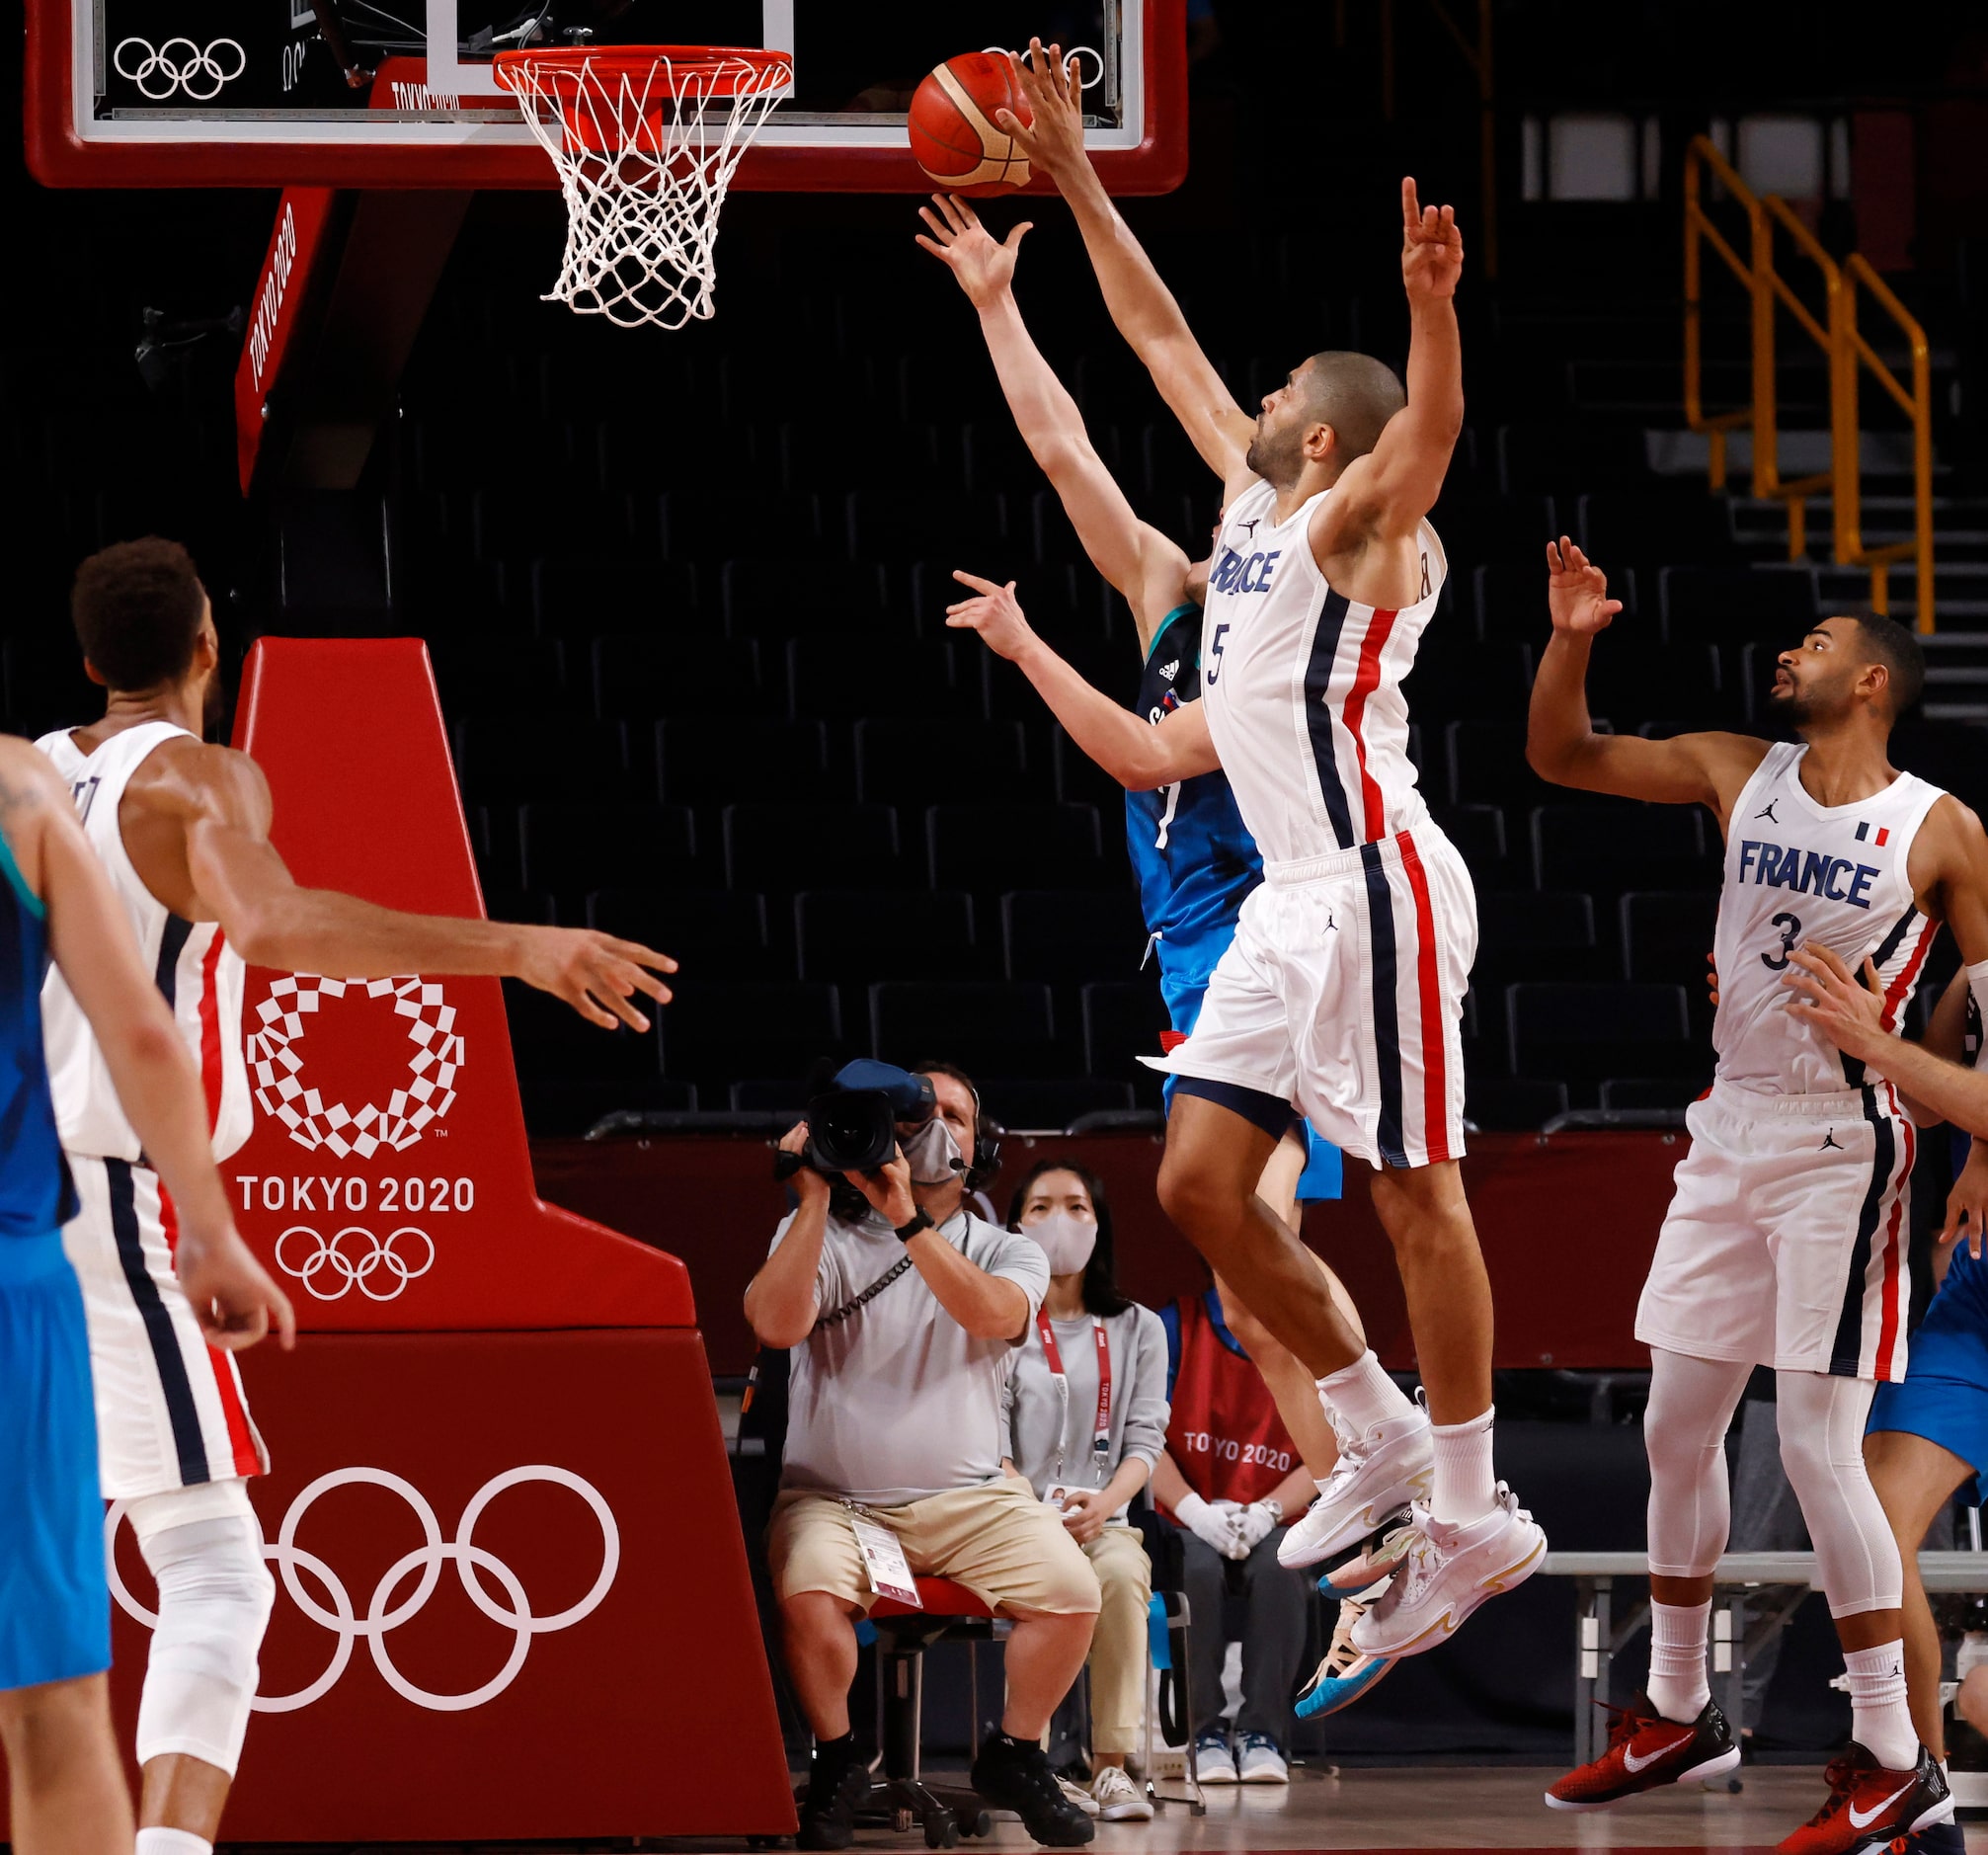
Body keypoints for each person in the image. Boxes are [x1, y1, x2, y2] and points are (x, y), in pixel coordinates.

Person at [951, 40, 1545, 1664]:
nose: (1257, 393)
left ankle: (1475, 1504)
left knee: (1422, 1193)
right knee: (1195, 1183)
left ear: (1319, 448)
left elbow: (1420, 439)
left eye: (1283, 391)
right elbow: (1151, 337)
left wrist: (1429, 313)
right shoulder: (1252, 513)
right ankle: (1381, 1435)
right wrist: (1072, 179)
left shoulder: (1362, 528)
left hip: (1381, 884)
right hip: (1290, 901)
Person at [37, 537, 676, 1855]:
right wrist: (518, 948)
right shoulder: (200, 779)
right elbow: (274, 927)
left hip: (19, 1189)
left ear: (91, 662)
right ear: (207, 648)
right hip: (110, 1196)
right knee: (214, 1566)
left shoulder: (23, 774)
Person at [915, 188, 1395, 1583]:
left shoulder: (1287, 638)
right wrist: (998, 305)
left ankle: (1383, 1475)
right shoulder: (1177, 589)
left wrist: (1018, 646)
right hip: (1198, 955)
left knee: (1260, 1252)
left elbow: (1138, 756)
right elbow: (1067, 455)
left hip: (1273, 935)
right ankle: (1377, 1470)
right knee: (1248, 1277)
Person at [1529, 537, 1988, 1850]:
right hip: (1726, 1128)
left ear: (1874, 683)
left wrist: (1942, 1116)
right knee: (1675, 1425)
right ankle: (1676, 1705)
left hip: (1844, 1146)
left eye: (1821, 642)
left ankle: (1893, 1752)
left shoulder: (1943, 829)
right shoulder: (1743, 767)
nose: (1793, 650)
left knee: (1809, 1443)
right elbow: (1563, 757)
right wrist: (1570, 640)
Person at [0, 734, 292, 1855]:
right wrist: (211, 1234)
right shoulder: (30, 786)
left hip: (54, 1219)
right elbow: (145, 1029)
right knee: (73, 1686)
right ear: (207, 644)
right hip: (50, 1224)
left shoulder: (58, 772)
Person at [745, 1062, 1099, 1851]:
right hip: (837, 1500)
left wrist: (908, 1218)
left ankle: (1014, 1754)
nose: (935, 1127)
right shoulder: (822, 1235)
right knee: (807, 1593)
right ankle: (837, 1761)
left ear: (983, 1145)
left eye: (955, 1115)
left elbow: (992, 1315)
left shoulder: (1013, 1249)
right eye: (916, 1113)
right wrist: (808, 1200)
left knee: (1072, 1591)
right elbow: (773, 1326)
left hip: (971, 1498)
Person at [1785, 935, 1988, 1835]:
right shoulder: (1978, 980)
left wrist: (1878, 1044)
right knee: (1868, 1521)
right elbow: (1917, 1097)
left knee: (1985, 1698)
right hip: (1975, 1309)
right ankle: (1915, 1790)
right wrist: (1797, 1006)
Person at [1001, 1160, 1168, 1822]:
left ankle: (1110, 1768)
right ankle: (1028, 1764)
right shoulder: (1002, 1324)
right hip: (1014, 1524)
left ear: (1098, 1226)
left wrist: (1105, 1503)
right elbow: (986, 1440)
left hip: (1103, 1519)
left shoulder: (1138, 1327)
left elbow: (1144, 1441)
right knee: (1044, 1583)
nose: (1058, 1221)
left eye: (1075, 1206)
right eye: (1039, 1207)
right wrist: (1028, 1510)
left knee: (1125, 1571)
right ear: (1015, 1226)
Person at [1149, 1279, 1316, 1784]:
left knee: (1281, 1570)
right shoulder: (1175, 1325)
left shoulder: (1309, 1330)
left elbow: (1329, 1451)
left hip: (1273, 1510)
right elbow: (1143, 1437)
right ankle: (1203, 1731)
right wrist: (1196, 1510)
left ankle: (1262, 1732)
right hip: (1189, 1509)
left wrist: (1268, 1509)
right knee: (1195, 1571)